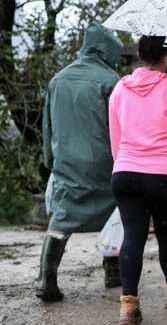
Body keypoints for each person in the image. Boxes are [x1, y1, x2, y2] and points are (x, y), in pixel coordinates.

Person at [107, 35, 167, 325]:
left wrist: (124, 165)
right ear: (166, 58)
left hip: (125, 173)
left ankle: (128, 307)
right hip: (165, 175)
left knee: (132, 236)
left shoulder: (119, 89)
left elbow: (116, 140)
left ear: (137, 54)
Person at [36, 21, 124, 302]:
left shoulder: (58, 79)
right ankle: (113, 272)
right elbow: (121, 126)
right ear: (108, 51)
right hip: (106, 166)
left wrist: (51, 161)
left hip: (67, 165)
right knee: (116, 219)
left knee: (61, 219)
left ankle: (45, 279)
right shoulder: (112, 81)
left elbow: (47, 127)